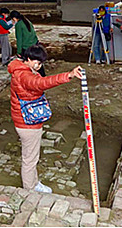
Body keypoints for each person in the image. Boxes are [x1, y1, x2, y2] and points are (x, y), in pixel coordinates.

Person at [9, 44, 83, 193]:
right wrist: (68, 75)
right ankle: (30, 189)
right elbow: (40, 83)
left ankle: (34, 182)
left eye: (41, 63)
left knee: (32, 156)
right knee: (30, 159)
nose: (39, 66)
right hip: (27, 124)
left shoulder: (21, 69)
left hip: (25, 120)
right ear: (28, 59)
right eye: (37, 62)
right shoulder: (24, 75)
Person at [9, 10, 44, 77]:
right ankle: (42, 76)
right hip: (34, 44)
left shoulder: (19, 25)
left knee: (28, 63)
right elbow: (34, 33)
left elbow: (19, 39)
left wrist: (19, 51)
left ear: (14, 18)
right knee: (37, 61)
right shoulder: (27, 21)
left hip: (27, 47)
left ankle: (29, 77)